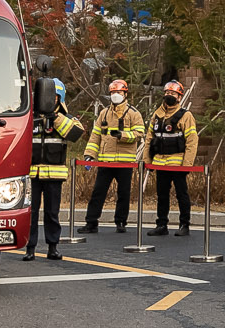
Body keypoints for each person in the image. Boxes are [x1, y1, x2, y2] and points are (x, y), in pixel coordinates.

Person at [79, 78, 148, 236]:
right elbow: (95, 137)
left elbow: (139, 134)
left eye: (119, 92)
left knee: (123, 193)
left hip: (125, 163)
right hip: (106, 162)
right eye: (113, 93)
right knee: (98, 192)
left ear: (125, 94)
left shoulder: (133, 114)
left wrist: (122, 135)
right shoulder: (104, 114)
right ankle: (91, 222)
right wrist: (89, 155)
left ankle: (121, 222)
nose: (116, 95)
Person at [23, 78, 78, 260]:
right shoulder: (30, 116)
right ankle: (30, 249)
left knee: (52, 213)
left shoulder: (65, 118)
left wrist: (55, 118)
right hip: (32, 174)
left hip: (54, 175)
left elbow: (77, 133)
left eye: (53, 96)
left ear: (59, 97)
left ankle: (52, 247)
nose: (48, 99)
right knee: (31, 213)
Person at [145, 80, 200, 237]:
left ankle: (184, 224)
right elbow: (149, 138)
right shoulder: (157, 115)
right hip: (160, 163)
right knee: (161, 195)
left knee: (182, 194)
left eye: (173, 94)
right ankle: (161, 224)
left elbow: (192, 141)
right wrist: (147, 161)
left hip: (177, 162)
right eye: (168, 93)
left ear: (179, 97)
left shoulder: (186, 116)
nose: (170, 96)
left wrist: (187, 164)